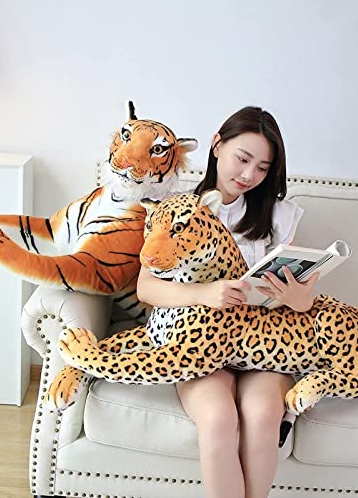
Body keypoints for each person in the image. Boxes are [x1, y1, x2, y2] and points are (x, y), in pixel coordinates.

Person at [137, 106, 319, 498]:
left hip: (261, 346)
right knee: (219, 418)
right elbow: (146, 288)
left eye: (263, 168)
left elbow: (303, 300)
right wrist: (204, 294)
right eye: (243, 159)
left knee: (263, 414)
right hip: (199, 344)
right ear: (217, 145)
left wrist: (298, 299)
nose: (249, 175)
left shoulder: (279, 217)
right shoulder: (179, 209)